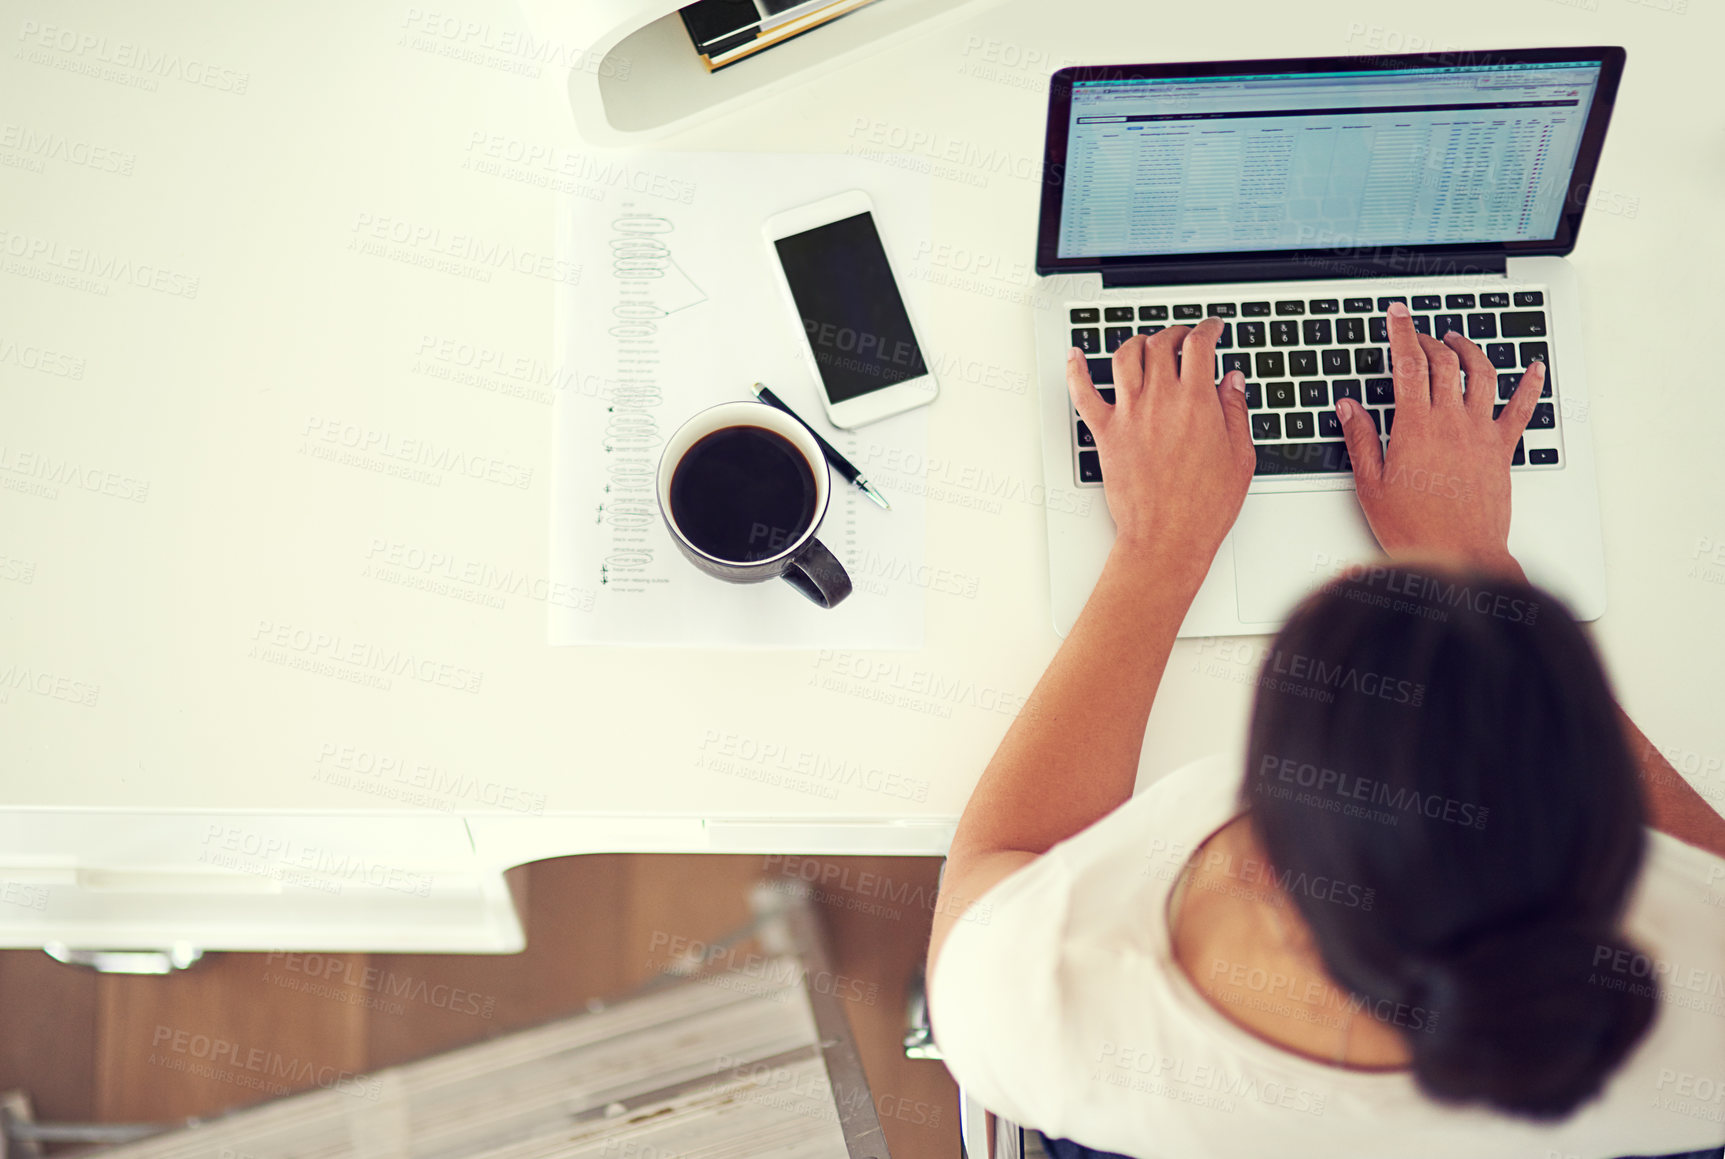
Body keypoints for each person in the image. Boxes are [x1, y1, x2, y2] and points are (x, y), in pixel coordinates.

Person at [925, 304, 1725, 1159]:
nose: (1351, 570)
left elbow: (990, 870)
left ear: (1264, 865)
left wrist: (1159, 551)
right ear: (1607, 838)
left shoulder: (1039, 996)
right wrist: (1474, 564)